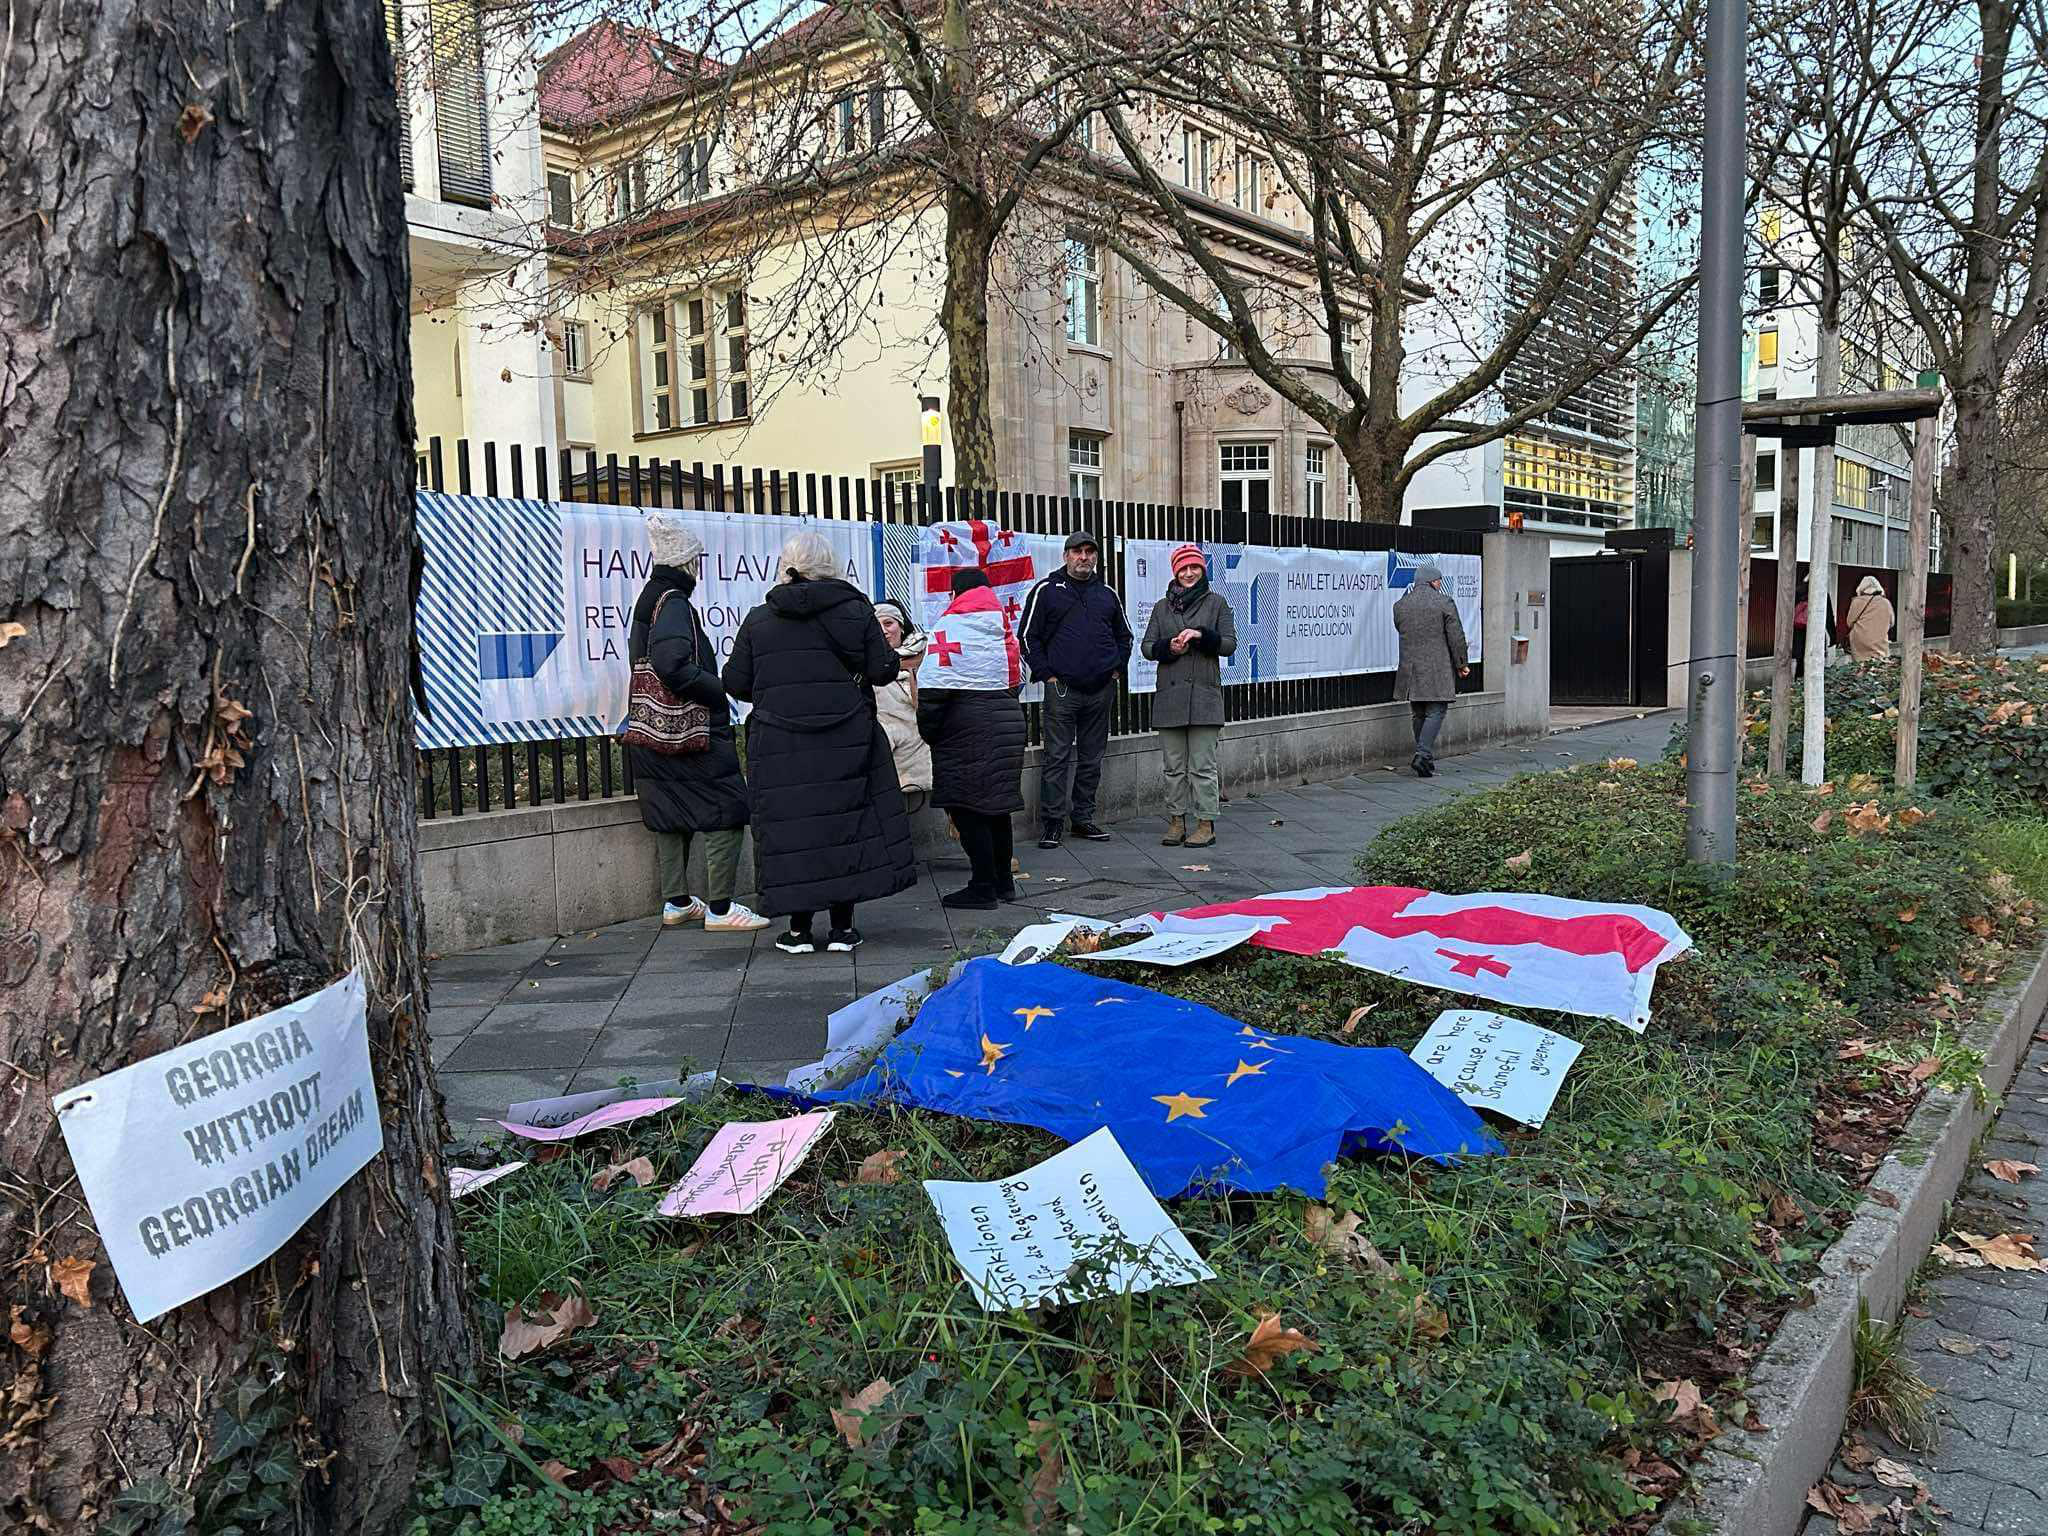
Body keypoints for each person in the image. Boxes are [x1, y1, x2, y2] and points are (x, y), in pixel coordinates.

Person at [722, 532, 916, 954]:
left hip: (780, 743)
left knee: (794, 832)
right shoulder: (856, 610)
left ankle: (798, 932)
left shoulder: (759, 619)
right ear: (831, 565)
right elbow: (883, 670)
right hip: (847, 737)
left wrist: (779, 694)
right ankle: (843, 929)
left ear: (788, 566)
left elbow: (735, 681)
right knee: (846, 825)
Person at [627, 513, 770, 932]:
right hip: (692, 730)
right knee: (726, 810)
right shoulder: (674, 602)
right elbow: (672, 664)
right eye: (697, 560)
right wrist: (715, 689)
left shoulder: (649, 599)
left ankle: (677, 902)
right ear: (686, 562)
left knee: (669, 810)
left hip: (655, 729)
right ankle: (721, 909)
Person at [917, 569, 1028, 909]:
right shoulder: (1001, 628)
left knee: (968, 809)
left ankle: (982, 887)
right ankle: (1003, 883)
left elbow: (933, 690)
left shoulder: (951, 627)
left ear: (956, 594)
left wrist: (929, 732)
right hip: (1007, 724)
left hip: (965, 729)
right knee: (997, 809)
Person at [1019, 529, 1134, 849]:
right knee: (1056, 756)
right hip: (1063, 690)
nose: (1084, 557)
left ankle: (1082, 818)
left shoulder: (1107, 593)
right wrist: (1047, 675)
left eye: (1089, 552)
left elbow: (1124, 636)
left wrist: (1115, 670)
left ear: (1096, 557)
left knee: (1091, 758)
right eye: (1077, 552)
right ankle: (1053, 823)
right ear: (1066, 556)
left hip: (1100, 690)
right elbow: (1027, 636)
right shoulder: (1046, 590)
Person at [1140, 543, 1237, 848]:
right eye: (1183, 568)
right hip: (1170, 698)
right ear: (1175, 572)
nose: (1189, 573)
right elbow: (1147, 647)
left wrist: (1200, 635)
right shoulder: (1161, 607)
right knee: (1173, 767)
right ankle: (1176, 821)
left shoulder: (1216, 603)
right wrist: (1169, 646)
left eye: (1194, 567)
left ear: (1202, 570)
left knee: (1202, 767)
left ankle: (1206, 824)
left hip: (1204, 698)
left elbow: (1229, 645)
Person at [1392, 563, 1469, 778]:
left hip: (1410, 669)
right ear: (1432, 581)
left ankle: (1425, 760)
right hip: (1437, 668)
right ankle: (1422, 755)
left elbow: (1400, 629)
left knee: (1418, 713)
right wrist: (1462, 663)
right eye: (1439, 581)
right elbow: (1456, 636)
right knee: (1436, 711)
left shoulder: (1400, 605)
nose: (1440, 584)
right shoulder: (1444, 602)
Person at [872, 598, 933, 814]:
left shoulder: (927, 657)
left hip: (927, 758)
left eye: (889, 623)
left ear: (901, 626)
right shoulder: (868, 668)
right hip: (892, 762)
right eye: (877, 625)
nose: (884, 631)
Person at [1845, 575, 1894, 661]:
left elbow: (1849, 623)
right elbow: (1891, 623)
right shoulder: (1886, 603)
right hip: (1880, 643)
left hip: (1859, 644)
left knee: (1860, 666)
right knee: (1879, 665)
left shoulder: (1857, 602)